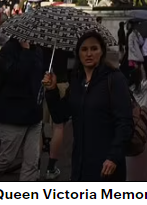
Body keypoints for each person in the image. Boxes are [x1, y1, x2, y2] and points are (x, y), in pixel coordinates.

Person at [44, 30, 133, 181]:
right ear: (78, 53)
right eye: (84, 49)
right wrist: (52, 90)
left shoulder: (115, 79)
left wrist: (113, 156)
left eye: (94, 49)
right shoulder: (77, 82)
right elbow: (60, 115)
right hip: (80, 164)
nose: (89, 54)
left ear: (102, 51)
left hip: (107, 165)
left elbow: (125, 122)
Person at [0, 37, 44, 182]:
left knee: (32, 161)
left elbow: (38, 75)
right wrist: (25, 51)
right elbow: (15, 76)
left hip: (34, 113)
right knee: (7, 158)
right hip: (13, 113)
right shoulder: (8, 50)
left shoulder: (37, 49)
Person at [42, 46, 70, 180]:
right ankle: (51, 167)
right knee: (58, 126)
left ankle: (35, 166)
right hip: (60, 82)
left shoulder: (40, 37)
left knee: (38, 126)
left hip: (42, 83)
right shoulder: (65, 40)